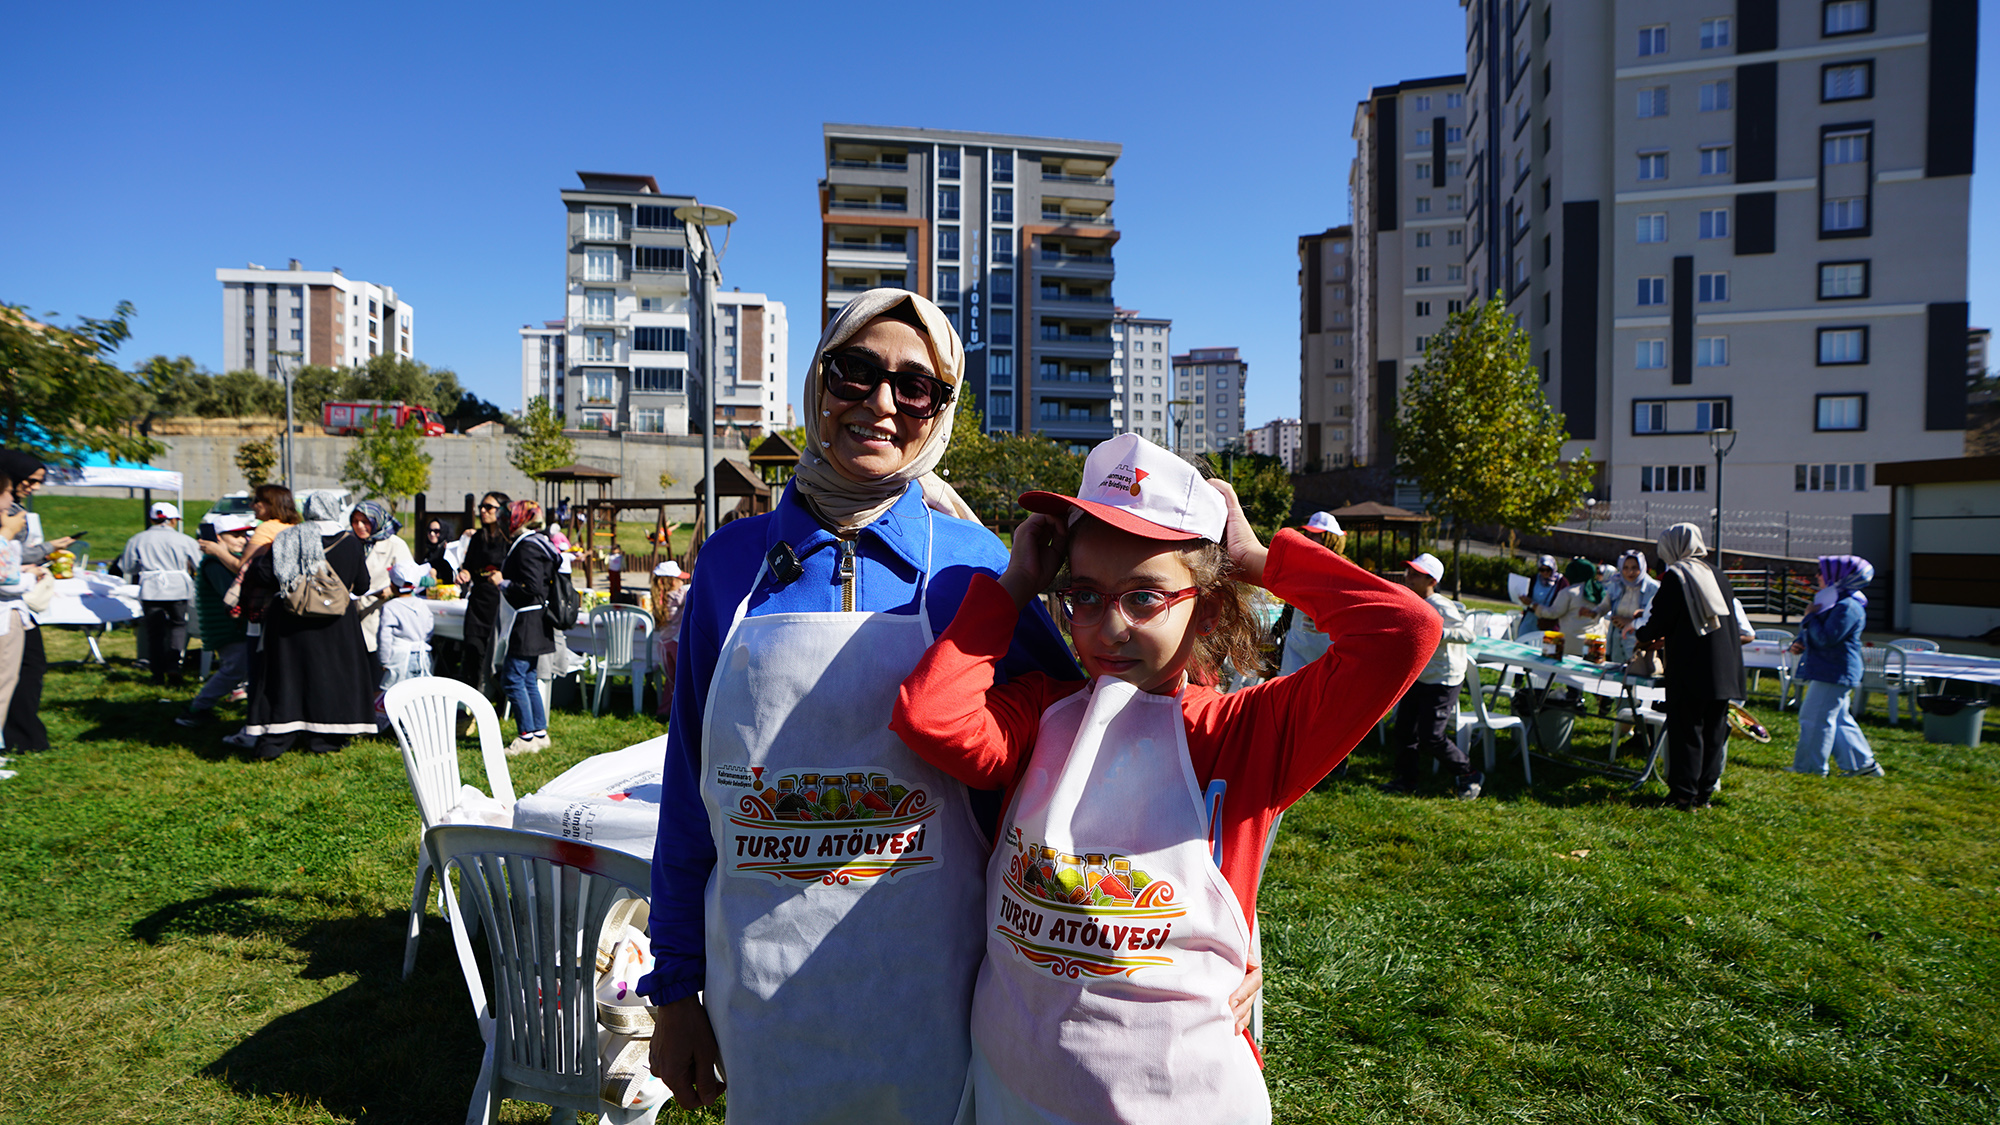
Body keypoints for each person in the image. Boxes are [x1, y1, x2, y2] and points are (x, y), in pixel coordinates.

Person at [890, 433, 1436, 1123]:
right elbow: (932, 718)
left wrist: (1255, 559)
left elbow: (1402, 631)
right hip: (1016, 1096)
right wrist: (1015, 587)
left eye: (1144, 597)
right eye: (1083, 596)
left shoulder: (1244, 734)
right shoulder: (1040, 711)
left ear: (1205, 608)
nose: (1107, 628)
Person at [640, 289, 1081, 1121]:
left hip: (934, 998)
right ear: (818, 383)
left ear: (941, 409)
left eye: (915, 387)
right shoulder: (732, 566)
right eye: (856, 372)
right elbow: (690, 793)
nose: (881, 403)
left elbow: (1077, 749)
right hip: (765, 1004)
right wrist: (674, 990)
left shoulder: (975, 570)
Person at [239, 492, 375, 760]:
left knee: (287, 678)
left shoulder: (289, 537)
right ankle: (326, 738)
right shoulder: (350, 543)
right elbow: (362, 585)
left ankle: (278, 738)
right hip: (337, 623)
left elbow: (266, 575)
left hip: (290, 619)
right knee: (330, 679)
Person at [1633, 524, 1744, 810]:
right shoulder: (1717, 574)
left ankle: (1683, 795)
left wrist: (1641, 635)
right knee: (1713, 732)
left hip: (1692, 665)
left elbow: (1661, 620)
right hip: (1725, 665)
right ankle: (1703, 793)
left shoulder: (1677, 576)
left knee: (1687, 730)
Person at [1381, 552, 1483, 799]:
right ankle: (1407, 780)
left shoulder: (1440, 605)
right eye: (1409, 572)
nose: (1410, 577)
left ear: (1432, 581)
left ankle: (1469, 773)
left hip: (1442, 679)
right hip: (1418, 676)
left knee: (1431, 736)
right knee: (1404, 731)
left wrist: (1435, 630)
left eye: (1417, 574)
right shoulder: (1412, 601)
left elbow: (1468, 635)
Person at [1787, 555, 1886, 778]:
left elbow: (1827, 638)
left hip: (1834, 672)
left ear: (1838, 576)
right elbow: (1822, 634)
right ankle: (1862, 766)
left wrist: (1810, 618)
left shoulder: (1847, 606)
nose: (1818, 576)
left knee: (1814, 718)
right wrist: (1802, 640)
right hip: (1832, 670)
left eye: (1823, 572)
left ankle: (1810, 769)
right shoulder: (1834, 601)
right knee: (1839, 720)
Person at [0, 451, 59, 755]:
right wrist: (25, 575)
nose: (34, 488)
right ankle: (20, 736)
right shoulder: (7, 515)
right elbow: (4, 570)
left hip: (14, 606)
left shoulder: (13, 511)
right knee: (21, 669)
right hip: (7, 605)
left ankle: (22, 734)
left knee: (28, 666)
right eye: (31, 481)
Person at [176, 514, 255, 728]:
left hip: (234, 627)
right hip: (227, 628)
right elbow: (232, 593)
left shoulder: (223, 562)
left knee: (241, 669)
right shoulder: (215, 563)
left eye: (244, 534)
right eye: (235, 535)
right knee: (234, 669)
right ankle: (196, 709)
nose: (243, 539)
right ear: (218, 539)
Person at [115, 502, 202, 685]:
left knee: (155, 632)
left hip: (151, 588)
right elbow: (199, 564)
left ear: (152, 519)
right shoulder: (185, 539)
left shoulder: (137, 539)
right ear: (173, 520)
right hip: (179, 587)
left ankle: (157, 672)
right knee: (178, 626)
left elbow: (128, 567)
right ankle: (173, 665)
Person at [497, 500, 557, 755]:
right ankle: (539, 733)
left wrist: (503, 583)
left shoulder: (527, 547)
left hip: (528, 620)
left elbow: (531, 587)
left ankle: (526, 736)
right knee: (529, 678)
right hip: (537, 619)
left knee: (513, 678)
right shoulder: (540, 542)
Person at [1275, 511, 1344, 676]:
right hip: (1296, 650)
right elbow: (1290, 607)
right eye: (1308, 534)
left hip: (1328, 653)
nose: (1310, 539)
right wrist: (1275, 632)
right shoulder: (1300, 568)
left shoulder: (1345, 571)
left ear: (1331, 539)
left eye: (1317, 535)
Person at [454, 491, 510, 693]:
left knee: (495, 650)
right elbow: (469, 566)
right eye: (482, 507)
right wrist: (465, 574)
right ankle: (471, 693)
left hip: (500, 601)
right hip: (478, 601)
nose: (484, 511)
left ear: (502, 510)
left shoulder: (509, 538)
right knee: (472, 647)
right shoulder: (478, 537)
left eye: (489, 507)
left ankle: (496, 693)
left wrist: (502, 577)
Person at [349, 499, 414, 665]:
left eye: (365, 521)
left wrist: (391, 589)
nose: (360, 526)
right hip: (351, 614)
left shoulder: (395, 544)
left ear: (376, 521)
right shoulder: (349, 541)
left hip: (379, 613)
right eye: (355, 521)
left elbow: (411, 579)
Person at [376, 558, 436, 694]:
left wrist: (384, 660)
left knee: (395, 694)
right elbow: (429, 629)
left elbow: (384, 637)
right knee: (420, 693)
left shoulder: (390, 608)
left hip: (399, 658)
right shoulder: (422, 604)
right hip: (423, 656)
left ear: (392, 585)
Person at [1603, 550, 1660, 665]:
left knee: (1635, 677)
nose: (1630, 572)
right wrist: (1593, 612)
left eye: (1635, 567)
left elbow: (1657, 618)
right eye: (1626, 567)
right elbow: (1605, 605)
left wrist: (1630, 622)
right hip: (1616, 642)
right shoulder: (1617, 584)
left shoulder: (1654, 588)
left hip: (1637, 644)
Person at [648, 560, 686, 720]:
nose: (683, 581)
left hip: (663, 645)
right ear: (672, 580)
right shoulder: (680, 594)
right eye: (679, 578)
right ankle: (681, 714)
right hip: (676, 643)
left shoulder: (658, 599)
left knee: (670, 681)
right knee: (682, 680)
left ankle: (664, 711)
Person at [1516, 554, 1567, 639]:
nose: (1545, 572)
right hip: (1530, 620)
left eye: (1548, 569)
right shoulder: (1534, 579)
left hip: (1548, 622)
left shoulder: (1561, 582)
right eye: (1542, 570)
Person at [416, 517, 455, 582]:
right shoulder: (428, 553)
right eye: (429, 531)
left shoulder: (447, 550)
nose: (432, 534)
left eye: (436, 531)